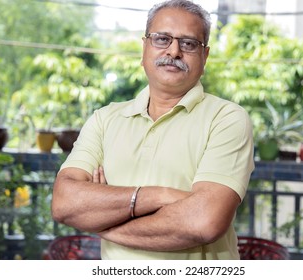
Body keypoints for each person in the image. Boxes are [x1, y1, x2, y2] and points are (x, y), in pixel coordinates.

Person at [51, 0, 254, 260]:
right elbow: (64, 203)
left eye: (189, 43)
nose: (174, 51)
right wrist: (160, 196)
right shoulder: (105, 119)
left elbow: (203, 222)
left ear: (205, 56)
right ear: (144, 47)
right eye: (161, 39)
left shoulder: (226, 118)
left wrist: (104, 219)